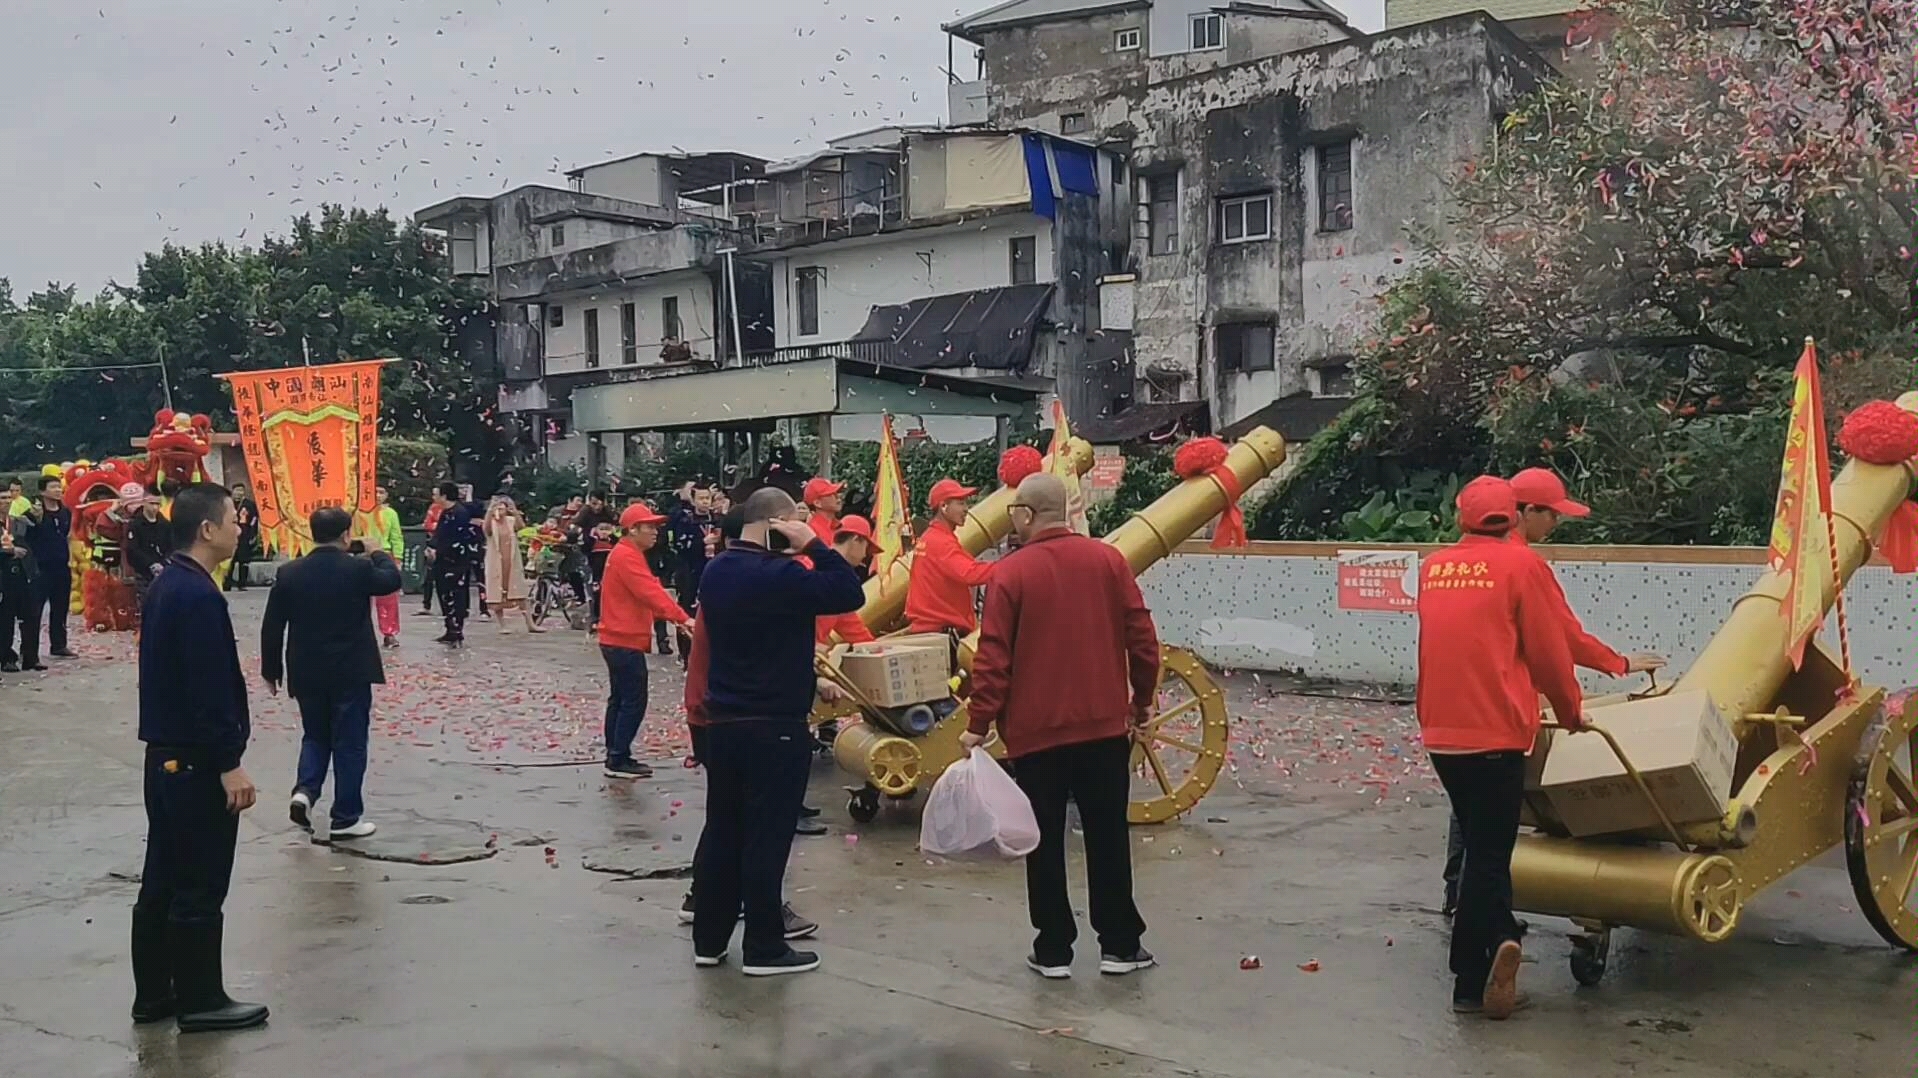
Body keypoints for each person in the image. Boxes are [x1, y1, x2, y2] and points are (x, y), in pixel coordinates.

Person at [1438, 467, 1669, 917]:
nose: (1556, 523)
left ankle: (1459, 895)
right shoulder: (1522, 564)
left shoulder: (1449, 564)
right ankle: (1483, 922)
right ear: (1522, 512)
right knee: (1493, 826)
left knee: (1468, 812)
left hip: (1447, 717)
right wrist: (1608, 672)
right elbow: (1559, 639)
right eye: (1551, 513)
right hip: (1500, 713)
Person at [961, 474, 1160, 980]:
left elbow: (993, 657)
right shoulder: (1108, 561)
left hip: (1036, 735)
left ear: (1026, 514)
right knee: (1107, 834)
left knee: (1043, 839)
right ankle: (1119, 944)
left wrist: (979, 722)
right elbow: (1142, 638)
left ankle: (1053, 949)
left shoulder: (1011, 574)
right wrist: (1142, 703)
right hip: (1102, 730)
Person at [1416, 476, 1585, 1020]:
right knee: (1490, 856)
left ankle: (1502, 936)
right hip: (1496, 735)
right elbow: (1549, 654)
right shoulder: (1522, 567)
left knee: (1478, 848)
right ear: (1512, 517)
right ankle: (1469, 979)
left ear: (1461, 515)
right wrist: (1571, 712)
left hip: (1441, 735)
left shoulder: (1433, 568)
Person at [692, 488, 864, 976]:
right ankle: (765, 946)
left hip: (725, 722)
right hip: (775, 725)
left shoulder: (717, 571)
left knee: (723, 830)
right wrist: (813, 544)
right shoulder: (783, 575)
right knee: (767, 836)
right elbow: (849, 592)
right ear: (779, 523)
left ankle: (710, 939)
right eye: (796, 520)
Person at [131, 482, 268, 1033]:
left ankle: (156, 994)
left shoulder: (171, 584)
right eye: (234, 519)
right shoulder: (196, 594)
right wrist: (227, 760)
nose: (241, 527)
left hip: (166, 758)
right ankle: (200, 998)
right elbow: (207, 687)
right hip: (193, 762)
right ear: (207, 529)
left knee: (162, 877)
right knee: (199, 881)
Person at [261, 507, 403, 842]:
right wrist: (377, 551)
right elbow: (392, 580)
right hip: (350, 670)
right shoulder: (357, 569)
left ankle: (305, 792)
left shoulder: (290, 572)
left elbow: (272, 625)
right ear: (345, 535)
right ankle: (346, 817)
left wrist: (271, 669)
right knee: (350, 742)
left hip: (306, 670)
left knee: (315, 735)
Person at [597, 502, 692, 779]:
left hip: (616, 638)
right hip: (622, 639)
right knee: (632, 700)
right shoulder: (627, 556)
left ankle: (615, 753)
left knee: (620, 698)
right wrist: (682, 618)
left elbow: (648, 592)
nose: (655, 532)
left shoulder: (627, 554)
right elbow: (650, 592)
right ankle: (618, 757)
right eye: (649, 527)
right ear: (632, 529)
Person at [906, 478, 995, 637]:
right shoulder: (941, 542)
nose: (966, 509)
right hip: (941, 632)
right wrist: (1010, 567)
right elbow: (970, 573)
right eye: (960, 503)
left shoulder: (930, 538)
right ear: (943, 506)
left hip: (930, 629)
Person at [20, 475, 76, 662]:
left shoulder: (65, 512)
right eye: (53, 487)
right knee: (34, 611)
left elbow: (67, 535)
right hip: (41, 568)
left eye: (59, 487)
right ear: (43, 491)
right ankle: (29, 651)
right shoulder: (34, 513)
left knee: (60, 607)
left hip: (61, 566)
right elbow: (25, 538)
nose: (58, 490)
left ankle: (59, 644)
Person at [425, 483, 482, 645]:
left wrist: (440, 550)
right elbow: (440, 534)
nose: (434, 498)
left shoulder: (460, 513)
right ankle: (450, 628)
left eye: (436, 494)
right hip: (443, 561)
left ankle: (457, 628)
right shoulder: (446, 513)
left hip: (456, 561)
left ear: (444, 496)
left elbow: (457, 538)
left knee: (456, 594)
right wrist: (432, 547)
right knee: (444, 593)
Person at [814, 516, 875, 647]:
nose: (865, 556)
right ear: (856, 540)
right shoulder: (811, 569)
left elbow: (857, 632)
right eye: (866, 548)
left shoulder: (841, 588)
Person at [482, 495, 539, 634]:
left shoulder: (510, 520)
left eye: (502, 508)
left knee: (519, 591)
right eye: (498, 508)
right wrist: (490, 512)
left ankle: (530, 624)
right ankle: (502, 625)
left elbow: (521, 527)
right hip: (496, 559)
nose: (500, 510)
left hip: (512, 559)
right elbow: (486, 530)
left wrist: (515, 511)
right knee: (497, 592)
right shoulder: (492, 522)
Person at [126, 489, 174, 619]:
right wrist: (150, 564)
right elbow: (132, 549)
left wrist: (164, 563)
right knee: (146, 606)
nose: (154, 507)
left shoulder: (165, 525)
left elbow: (172, 547)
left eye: (157, 504)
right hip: (144, 571)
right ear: (143, 502)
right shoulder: (135, 524)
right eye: (151, 503)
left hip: (164, 570)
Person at [572, 490, 617, 625]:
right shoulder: (585, 513)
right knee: (593, 583)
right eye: (593, 503)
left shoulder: (609, 513)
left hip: (609, 552)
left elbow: (618, 528)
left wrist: (610, 535)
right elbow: (575, 528)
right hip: (591, 551)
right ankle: (594, 614)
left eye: (598, 504)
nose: (596, 507)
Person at [0, 509, 35, 675]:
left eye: (7, 498)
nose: (5, 502)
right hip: (3, 575)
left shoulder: (17, 522)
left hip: (23, 573)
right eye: (1, 498)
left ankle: (30, 656)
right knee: (5, 619)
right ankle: (6, 658)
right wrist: (10, 551)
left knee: (29, 616)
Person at [370, 485, 405, 647]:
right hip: (363, 554)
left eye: (381, 492)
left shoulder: (391, 514)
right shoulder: (361, 513)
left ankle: (389, 632)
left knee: (388, 598)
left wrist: (398, 558)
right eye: (374, 491)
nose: (378, 495)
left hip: (384, 553)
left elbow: (396, 536)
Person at [226, 484, 260, 592]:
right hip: (230, 535)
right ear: (233, 491)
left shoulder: (249, 505)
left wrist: (253, 535)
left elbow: (254, 520)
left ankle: (242, 584)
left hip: (245, 536)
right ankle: (227, 583)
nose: (239, 493)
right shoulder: (227, 504)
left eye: (241, 491)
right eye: (237, 490)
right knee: (228, 561)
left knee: (243, 561)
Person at [416, 497, 444, 616]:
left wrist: (438, 525)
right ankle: (426, 605)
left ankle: (445, 606)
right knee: (429, 577)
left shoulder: (452, 509)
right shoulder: (434, 508)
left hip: (446, 546)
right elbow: (428, 524)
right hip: (433, 543)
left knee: (443, 580)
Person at [802, 477, 845, 545]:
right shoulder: (812, 530)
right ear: (817, 503)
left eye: (836, 493)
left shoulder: (840, 526)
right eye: (831, 494)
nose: (838, 498)